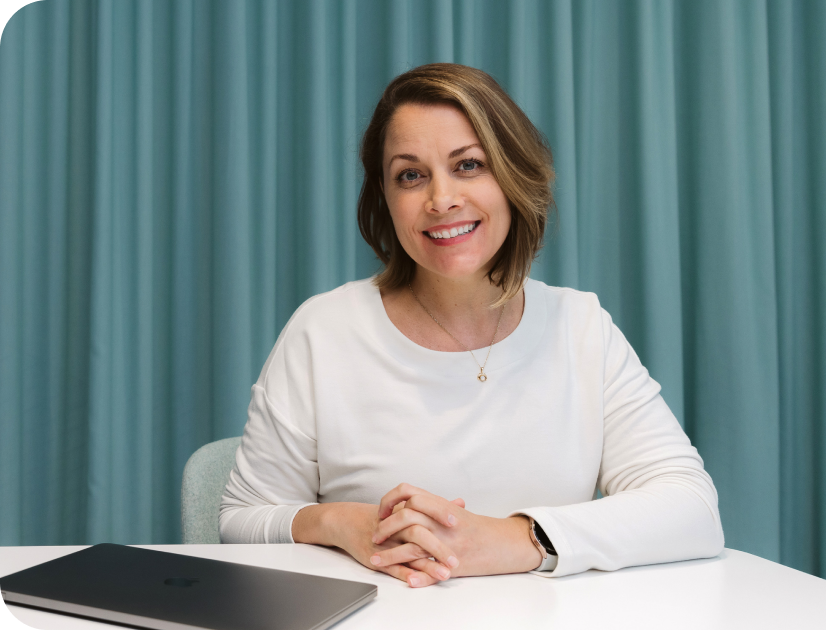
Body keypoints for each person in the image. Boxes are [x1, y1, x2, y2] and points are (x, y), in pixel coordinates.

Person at [220, 63, 724, 588]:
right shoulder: (322, 331)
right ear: (386, 199)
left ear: (513, 176)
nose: (442, 200)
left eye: (468, 165)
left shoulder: (581, 327)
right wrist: (339, 522)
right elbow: (240, 520)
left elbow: (691, 507)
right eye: (410, 175)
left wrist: (514, 539)